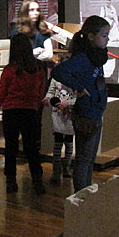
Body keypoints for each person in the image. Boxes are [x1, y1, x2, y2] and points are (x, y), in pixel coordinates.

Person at [51, 15, 110, 192]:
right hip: (87, 113)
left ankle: (87, 194)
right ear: (91, 36)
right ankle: (80, 197)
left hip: (95, 112)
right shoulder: (84, 58)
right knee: (84, 160)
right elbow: (58, 71)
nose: (107, 39)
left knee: (89, 159)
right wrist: (79, 87)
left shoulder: (95, 57)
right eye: (104, 35)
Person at [0, 33, 47, 195]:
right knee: (32, 148)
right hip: (30, 112)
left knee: (11, 148)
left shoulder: (10, 70)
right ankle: (37, 181)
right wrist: (35, 105)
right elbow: (40, 91)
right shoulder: (38, 68)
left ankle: (11, 182)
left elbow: (2, 93)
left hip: (11, 112)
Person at [42, 56, 76, 184]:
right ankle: (56, 170)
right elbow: (51, 91)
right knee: (57, 142)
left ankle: (66, 167)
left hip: (70, 115)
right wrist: (47, 98)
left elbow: (79, 96)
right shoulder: (56, 78)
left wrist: (68, 103)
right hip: (58, 114)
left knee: (69, 141)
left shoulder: (76, 79)